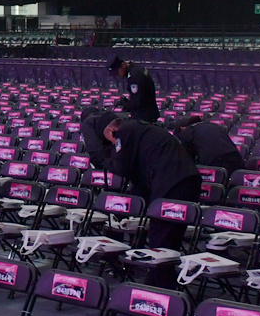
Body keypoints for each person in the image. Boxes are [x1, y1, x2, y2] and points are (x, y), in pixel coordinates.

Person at [82, 110, 201, 251]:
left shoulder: (124, 132)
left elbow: (121, 167)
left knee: (161, 242)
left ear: (110, 131)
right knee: (167, 240)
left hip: (173, 185)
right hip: (182, 181)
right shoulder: (140, 130)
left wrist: (104, 160)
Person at [172, 117, 244, 174]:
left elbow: (188, 158)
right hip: (235, 156)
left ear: (182, 128)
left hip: (214, 161)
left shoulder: (187, 131)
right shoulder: (212, 125)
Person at [108, 56, 160, 123]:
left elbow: (138, 101)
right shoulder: (135, 69)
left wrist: (125, 104)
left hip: (145, 117)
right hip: (146, 115)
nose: (116, 75)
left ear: (123, 65)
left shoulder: (134, 76)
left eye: (116, 72)